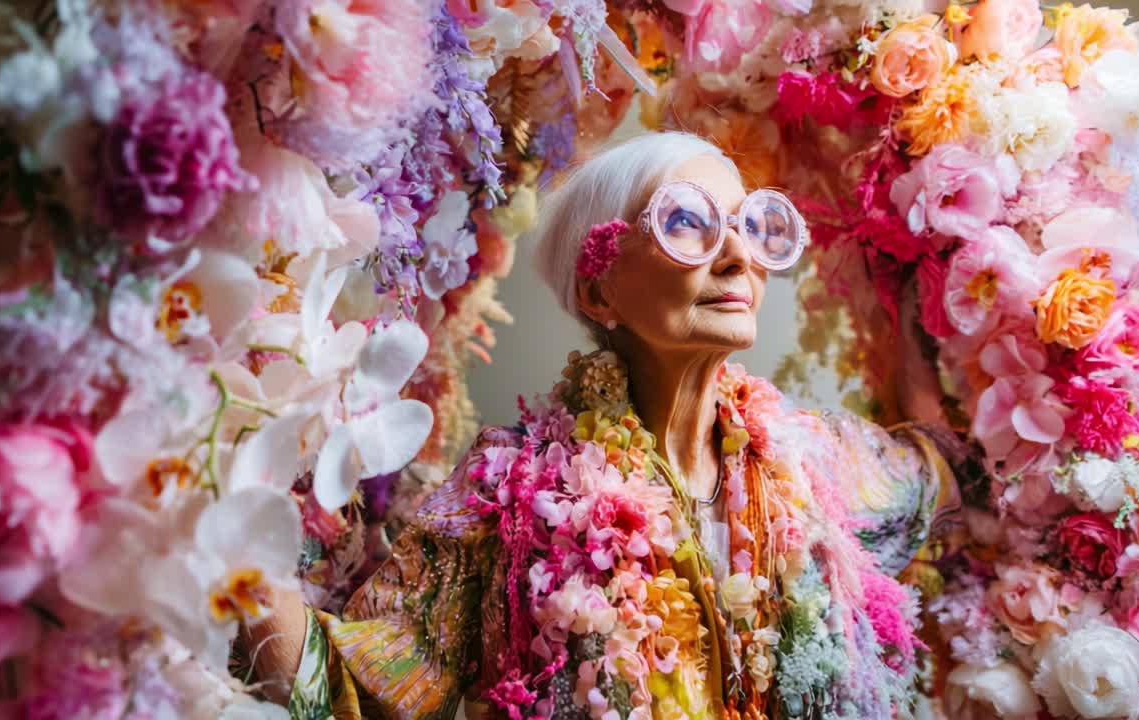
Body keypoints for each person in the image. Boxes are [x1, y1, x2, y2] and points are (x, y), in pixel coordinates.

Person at [244, 132, 968, 720]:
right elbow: (354, 691)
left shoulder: (817, 460)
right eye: (687, 220)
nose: (738, 254)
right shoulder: (508, 496)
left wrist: (916, 326)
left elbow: (937, 468)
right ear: (599, 289)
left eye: (750, 225)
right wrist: (223, 524)